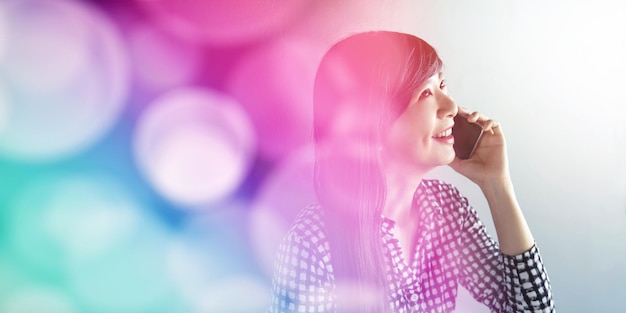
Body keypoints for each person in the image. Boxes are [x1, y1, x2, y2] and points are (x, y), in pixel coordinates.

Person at [268, 31, 554, 313]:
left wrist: (497, 185)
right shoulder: (312, 244)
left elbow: (533, 310)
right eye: (426, 93)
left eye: (443, 85)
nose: (451, 107)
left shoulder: (445, 209)